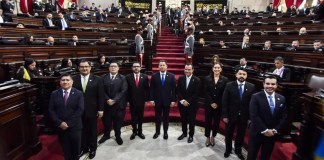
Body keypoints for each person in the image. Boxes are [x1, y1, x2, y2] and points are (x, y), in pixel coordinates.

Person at [247, 76, 286, 160]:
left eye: (273, 84)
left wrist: (275, 130)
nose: (270, 86)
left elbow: (283, 116)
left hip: (272, 134)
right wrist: (265, 130)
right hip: (257, 133)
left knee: (266, 157)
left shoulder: (281, 98)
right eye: (267, 83)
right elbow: (254, 115)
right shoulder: (255, 97)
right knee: (251, 156)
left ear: (276, 85)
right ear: (263, 84)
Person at [48, 73, 84, 160]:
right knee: (65, 149)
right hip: (61, 127)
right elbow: (51, 110)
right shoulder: (54, 93)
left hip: (75, 127)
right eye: (63, 80)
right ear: (60, 82)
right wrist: (59, 123)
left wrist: (68, 123)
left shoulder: (78, 93)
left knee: (76, 150)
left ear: (72, 82)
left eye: (67, 80)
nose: (65, 82)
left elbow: (80, 110)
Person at [72, 60, 103, 159]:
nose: (84, 68)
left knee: (93, 130)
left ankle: (93, 148)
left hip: (92, 110)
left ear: (90, 68)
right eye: (82, 67)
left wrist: (101, 109)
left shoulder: (97, 79)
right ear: (79, 68)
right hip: (78, 111)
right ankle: (84, 148)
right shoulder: (73, 79)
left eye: (86, 66)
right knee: (81, 130)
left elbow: (101, 96)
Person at [222, 67, 255, 159]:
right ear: (236, 75)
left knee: (240, 135)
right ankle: (228, 150)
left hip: (244, 117)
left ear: (246, 76)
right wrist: (224, 115)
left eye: (244, 74)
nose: (242, 76)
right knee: (228, 134)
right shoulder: (229, 85)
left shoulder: (251, 86)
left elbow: (252, 104)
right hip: (230, 116)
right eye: (240, 74)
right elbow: (225, 101)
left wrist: (250, 118)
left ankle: (238, 150)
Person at [99, 62, 128, 145]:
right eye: (111, 66)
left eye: (115, 66)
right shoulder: (103, 77)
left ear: (118, 68)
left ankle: (118, 136)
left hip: (119, 106)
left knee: (118, 123)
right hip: (106, 105)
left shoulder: (123, 78)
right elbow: (101, 90)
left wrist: (114, 100)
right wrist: (107, 99)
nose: (113, 68)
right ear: (109, 68)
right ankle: (106, 135)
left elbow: (123, 91)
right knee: (106, 123)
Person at [150, 60, 176, 140]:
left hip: (167, 101)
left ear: (166, 66)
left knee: (166, 118)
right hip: (157, 101)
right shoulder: (154, 76)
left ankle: (165, 132)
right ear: (158, 66)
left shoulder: (171, 76)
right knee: (157, 117)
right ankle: (157, 132)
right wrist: (151, 99)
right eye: (160, 65)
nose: (162, 66)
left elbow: (174, 89)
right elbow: (151, 89)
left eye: (163, 65)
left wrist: (173, 100)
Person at [204, 62, 228, 146]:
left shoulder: (225, 80)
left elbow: (224, 94)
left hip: (219, 105)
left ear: (221, 69)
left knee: (216, 122)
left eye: (218, 68)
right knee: (208, 121)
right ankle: (207, 137)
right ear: (212, 69)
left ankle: (213, 136)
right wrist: (211, 102)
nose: (217, 69)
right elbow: (206, 92)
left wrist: (217, 103)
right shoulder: (207, 78)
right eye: (215, 67)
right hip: (208, 104)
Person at [177, 64, 201, 143]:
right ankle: (184, 133)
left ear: (192, 70)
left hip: (192, 105)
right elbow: (178, 91)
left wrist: (188, 101)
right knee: (183, 120)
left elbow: (197, 93)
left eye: (189, 69)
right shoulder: (181, 78)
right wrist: (183, 101)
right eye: (186, 69)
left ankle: (191, 135)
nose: (187, 71)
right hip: (182, 104)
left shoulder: (197, 80)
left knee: (191, 121)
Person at [126, 62, 149, 140]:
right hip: (132, 101)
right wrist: (127, 101)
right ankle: (134, 132)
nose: (136, 68)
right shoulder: (128, 77)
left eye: (137, 66)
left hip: (141, 101)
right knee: (133, 117)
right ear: (132, 68)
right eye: (134, 66)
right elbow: (127, 90)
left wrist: (146, 100)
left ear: (140, 68)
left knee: (140, 117)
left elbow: (147, 89)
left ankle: (140, 132)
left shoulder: (145, 77)